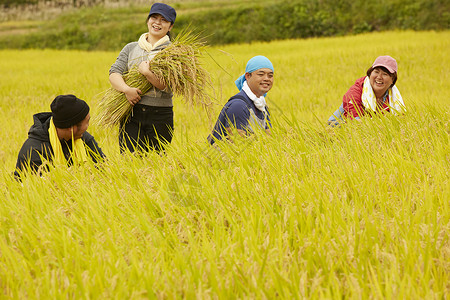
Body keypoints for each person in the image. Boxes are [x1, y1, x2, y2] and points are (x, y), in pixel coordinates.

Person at [109, 2, 177, 153]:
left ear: (170, 26)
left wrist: (147, 73)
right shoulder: (131, 48)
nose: (157, 23)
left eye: (163, 20)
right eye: (154, 17)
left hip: (161, 115)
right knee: (130, 162)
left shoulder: (175, 52)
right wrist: (127, 90)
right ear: (148, 20)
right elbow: (114, 73)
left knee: (158, 165)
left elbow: (170, 86)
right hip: (132, 112)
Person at [14, 94, 105, 179]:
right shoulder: (35, 151)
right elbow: (37, 189)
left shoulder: (82, 138)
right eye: (87, 121)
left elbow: (104, 166)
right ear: (72, 128)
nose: (88, 126)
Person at [208, 55, 274, 144]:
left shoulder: (262, 106)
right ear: (247, 76)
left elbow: (269, 140)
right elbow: (236, 144)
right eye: (261, 74)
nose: (266, 79)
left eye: (270, 76)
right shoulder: (239, 105)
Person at [327, 55, 405, 126]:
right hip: (338, 126)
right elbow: (354, 121)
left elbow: (401, 119)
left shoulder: (394, 97)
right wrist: (379, 126)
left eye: (385, 74)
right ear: (370, 74)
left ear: (392, 80)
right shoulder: (356, 91)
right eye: (376, 72)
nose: (379, 77)